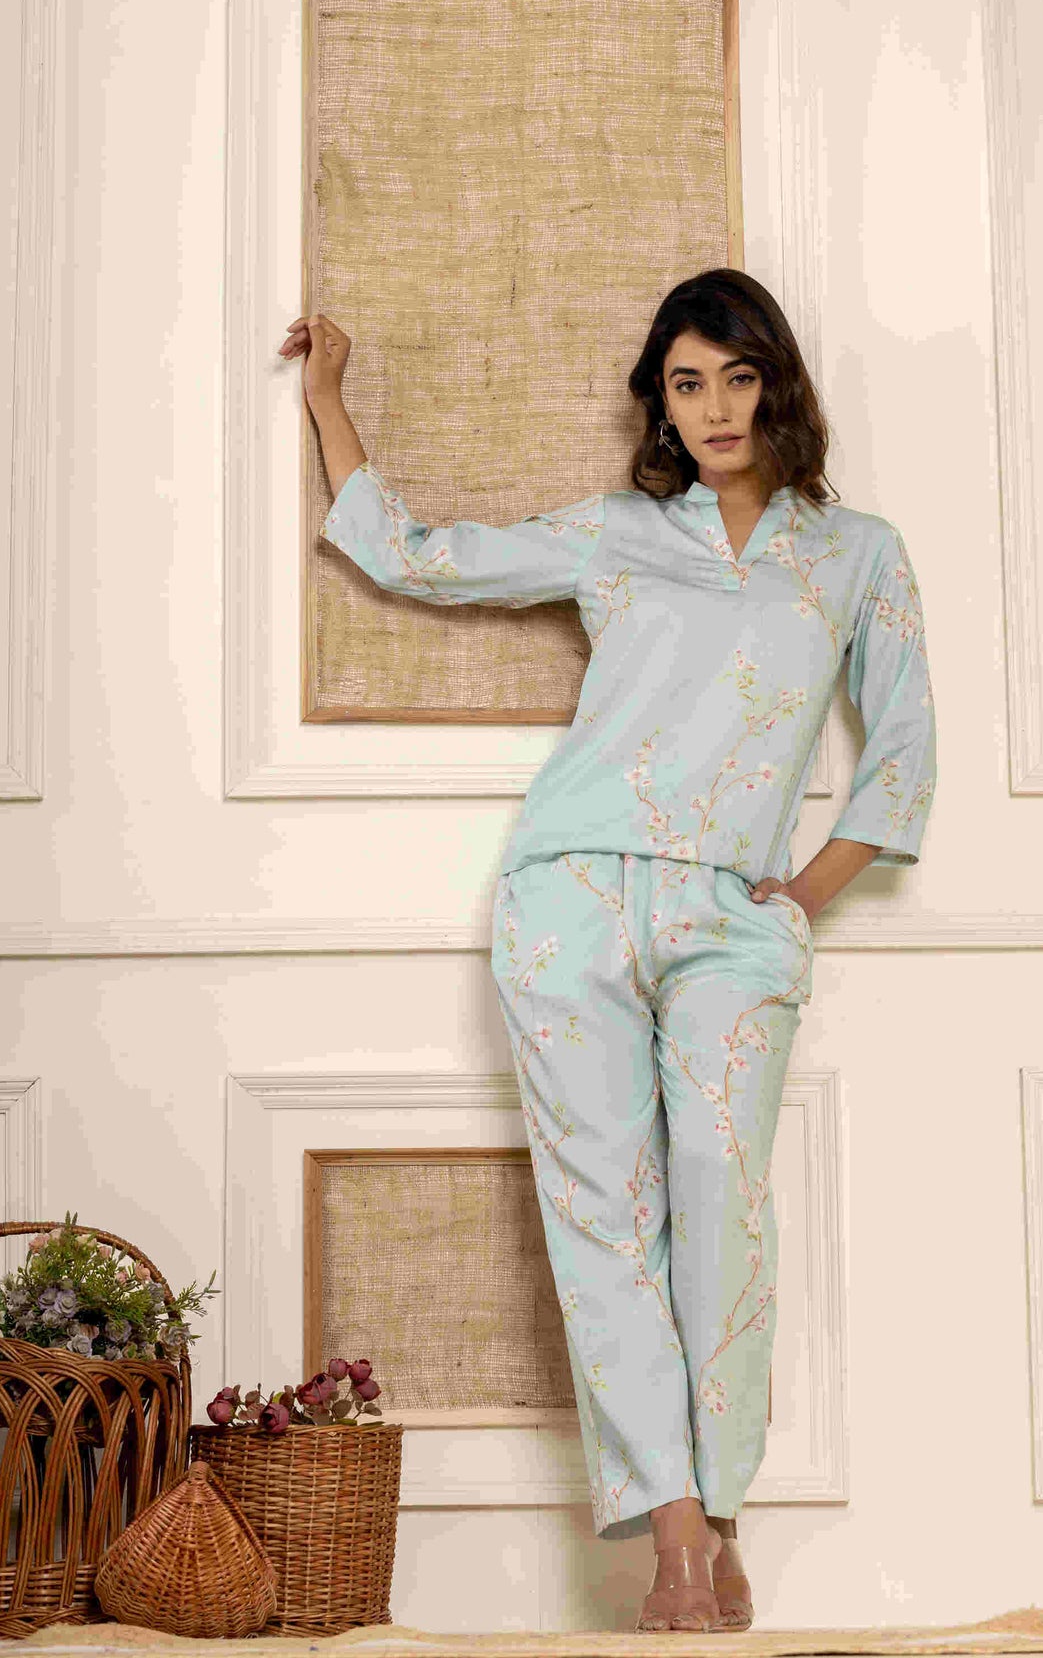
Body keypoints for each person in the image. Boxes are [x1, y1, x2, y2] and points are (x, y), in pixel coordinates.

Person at [279, 269, 936, 1634]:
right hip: (570, 897)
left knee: (722, 1207)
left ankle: (722, 1509)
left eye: (738, 376)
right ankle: (680, 1544)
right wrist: (331, 400)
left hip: (733, 919)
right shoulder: (618, 534)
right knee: (604, 1220)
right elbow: (416, 555)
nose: (716, 408)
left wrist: (799, 898)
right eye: (688, 384)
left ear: (779, 383)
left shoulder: (857, 553)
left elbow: (905, 750)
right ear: (663, 404)